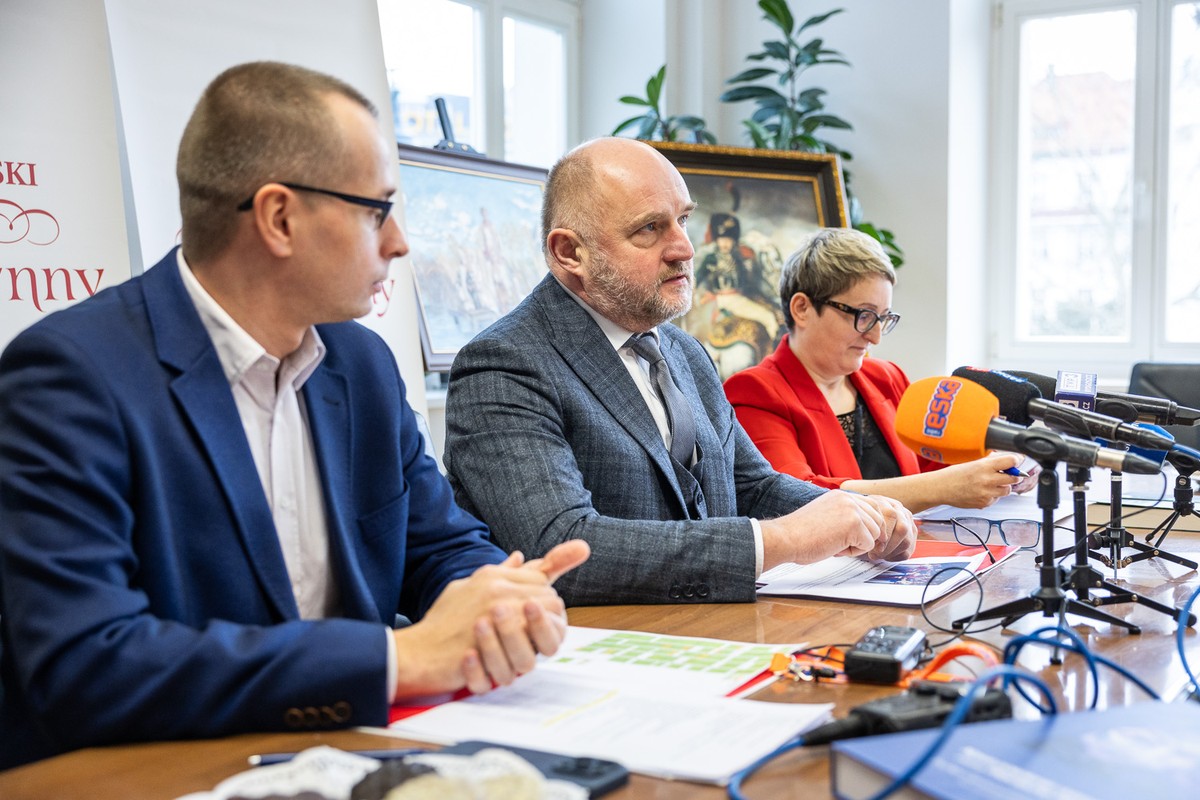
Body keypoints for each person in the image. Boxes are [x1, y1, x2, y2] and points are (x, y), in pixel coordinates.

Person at [0, 61, 588, 769]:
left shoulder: (362, 366)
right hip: (156, 774)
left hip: (353, 759)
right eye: (378, 209)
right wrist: (393, 658)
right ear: (280, 218)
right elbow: (87, 665)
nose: (399, 241)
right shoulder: (70, 376)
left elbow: (436, 546)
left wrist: (496, 599)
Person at [442, 137, 914, 608]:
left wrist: (859, 514)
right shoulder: (504, 364)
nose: (685, 249)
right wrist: (777, 542)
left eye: (683, 220)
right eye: (650, 229)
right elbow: (561, 549)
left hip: (719, 635)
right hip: (599, 654)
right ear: (569, 252)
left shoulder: (684, 351)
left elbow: (751, 484)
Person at [723, 227, 1029, 513]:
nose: (875, 335)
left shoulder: (886, 378)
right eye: (864, 316)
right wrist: (942, 488)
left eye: (883, 318)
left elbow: (934, 466)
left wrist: (1002, 466)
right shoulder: (754, 392)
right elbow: (794, 496)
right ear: (802, 308)